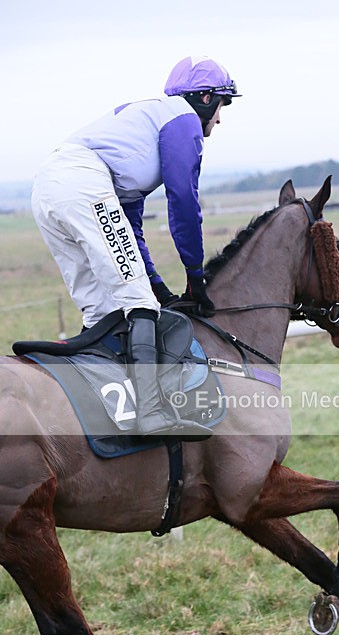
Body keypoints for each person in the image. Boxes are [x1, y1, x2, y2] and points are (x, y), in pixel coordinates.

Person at [31, 56, 241, 437]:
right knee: (136, 300)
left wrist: (160, 286)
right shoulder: (184, 120)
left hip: (49, 187)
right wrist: (195, 277)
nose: (220, 119)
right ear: (206, 98)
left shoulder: (144, 134)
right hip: (81, 181)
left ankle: (100, 409)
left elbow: (131, 230)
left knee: (101, 309)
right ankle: (149, 412)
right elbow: (183, 201)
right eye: (222, 105)